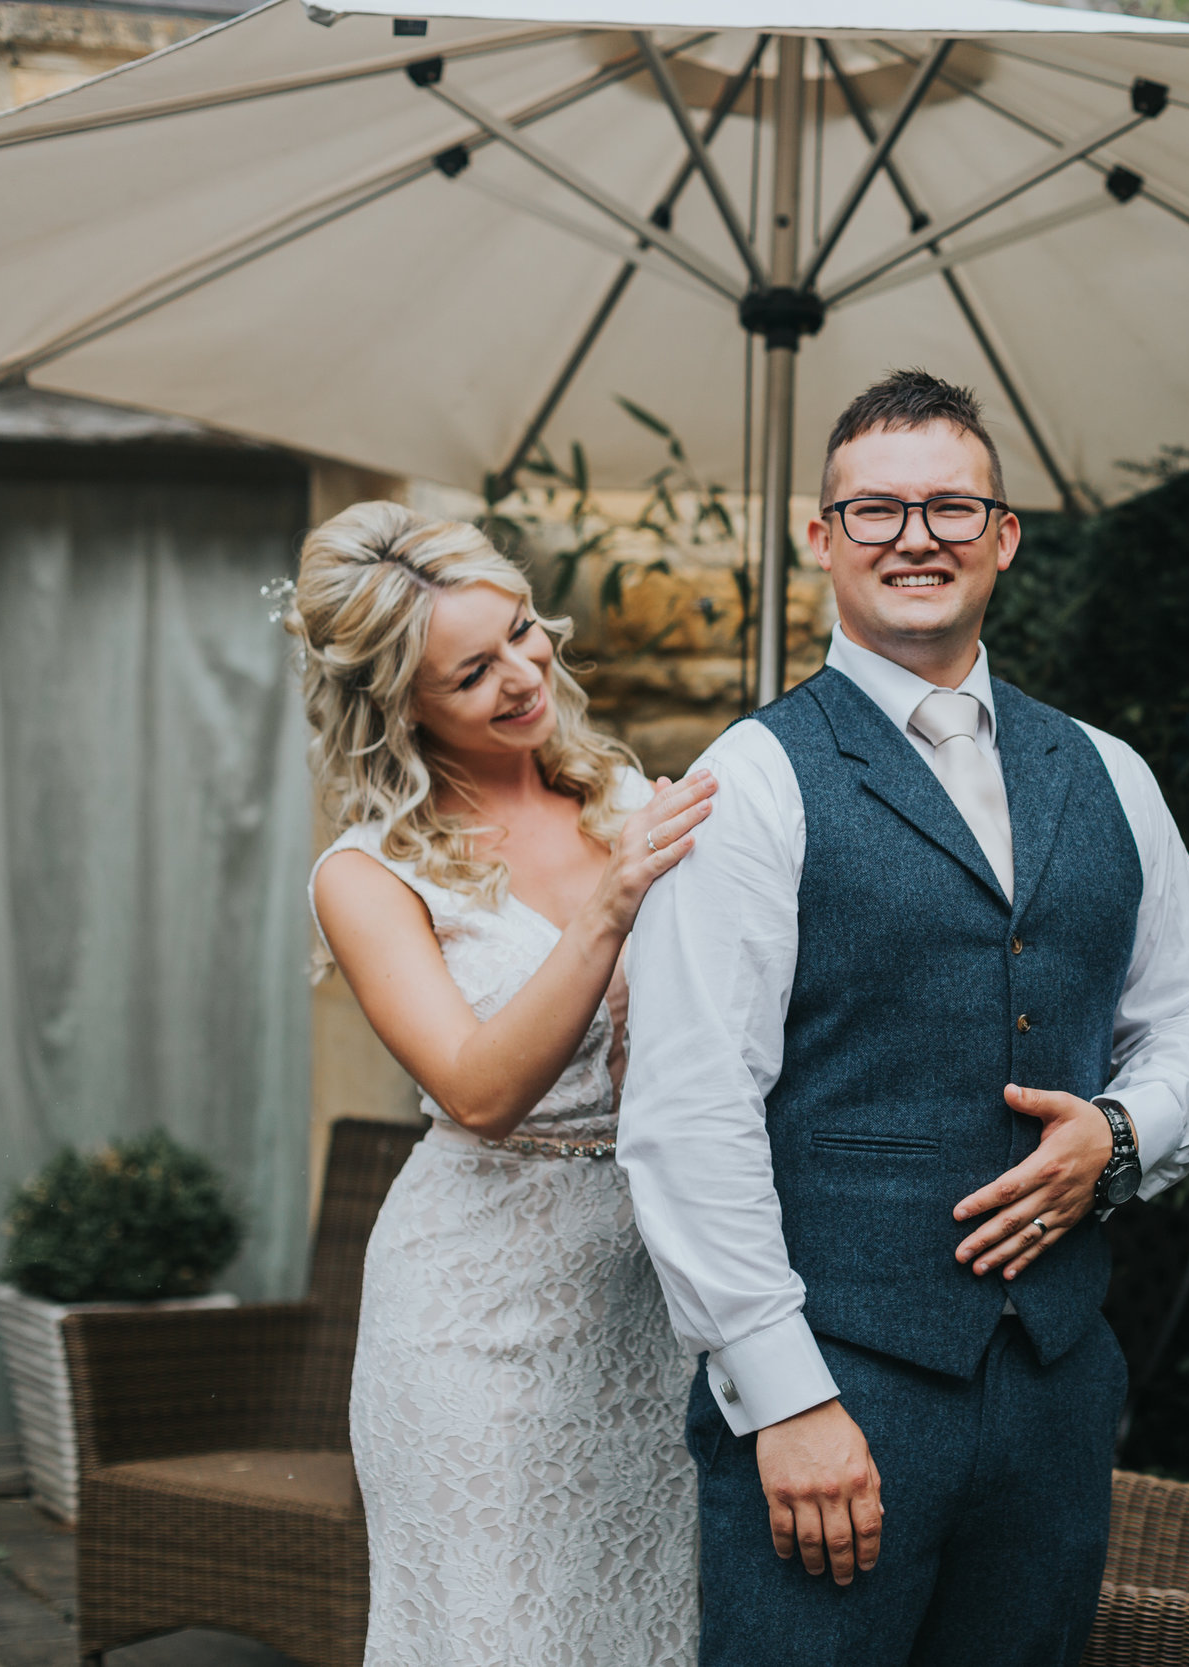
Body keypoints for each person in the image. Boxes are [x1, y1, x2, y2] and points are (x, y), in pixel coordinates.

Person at [617, 370, 1189, 1666]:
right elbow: (689, 1111)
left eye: (953, 507)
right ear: (823, 538)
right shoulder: (752, 780)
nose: (917, 537)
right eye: (878, 510)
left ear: (1004, 536)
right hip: (839, 1380)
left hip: (1056, 1391)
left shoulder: (1107, 771)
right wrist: (781, 1396)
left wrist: (1121, 1136)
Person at [291, 503, 715, 1667]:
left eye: (524, 632)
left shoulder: (621, 801)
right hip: (473, 1320)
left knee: (642, 1624)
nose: (525, 674)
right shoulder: (368, 874)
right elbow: (478, 1091)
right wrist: (614, 905)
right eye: (472, 672)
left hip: (649, 1299)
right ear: (398, 705)